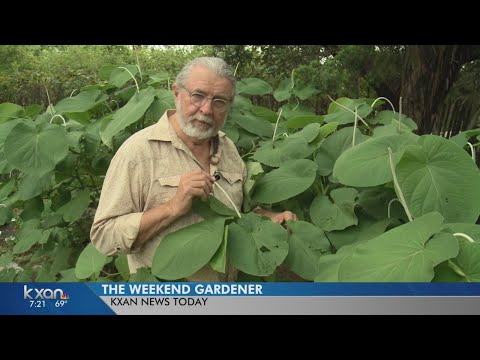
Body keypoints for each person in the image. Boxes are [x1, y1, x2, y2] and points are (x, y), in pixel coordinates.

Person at [90, 57, 298, 281]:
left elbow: (239, 214)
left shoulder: (228, 149)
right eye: (198, 95)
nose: (207, 109)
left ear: (229, 105)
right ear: (177, 93)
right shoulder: (138, 153)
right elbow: (104, 235)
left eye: (219, 101)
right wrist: (172, 207)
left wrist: (270, 218)